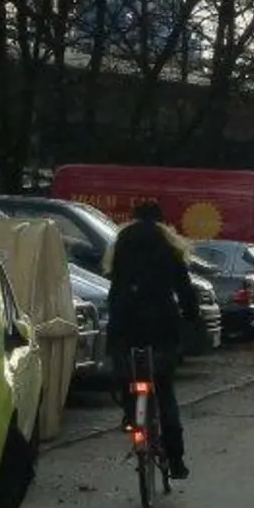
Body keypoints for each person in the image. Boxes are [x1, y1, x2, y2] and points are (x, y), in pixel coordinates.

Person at [105, 200, 199, 480]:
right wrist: (191, 317)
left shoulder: (122, 244)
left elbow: (113, 286)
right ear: (160, 221)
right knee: (164, 388)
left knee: (127, 376)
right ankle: (177, 459)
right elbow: (184, 288)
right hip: (161, 326)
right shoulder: (169, 246)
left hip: (127, 324)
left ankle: (132, 417)